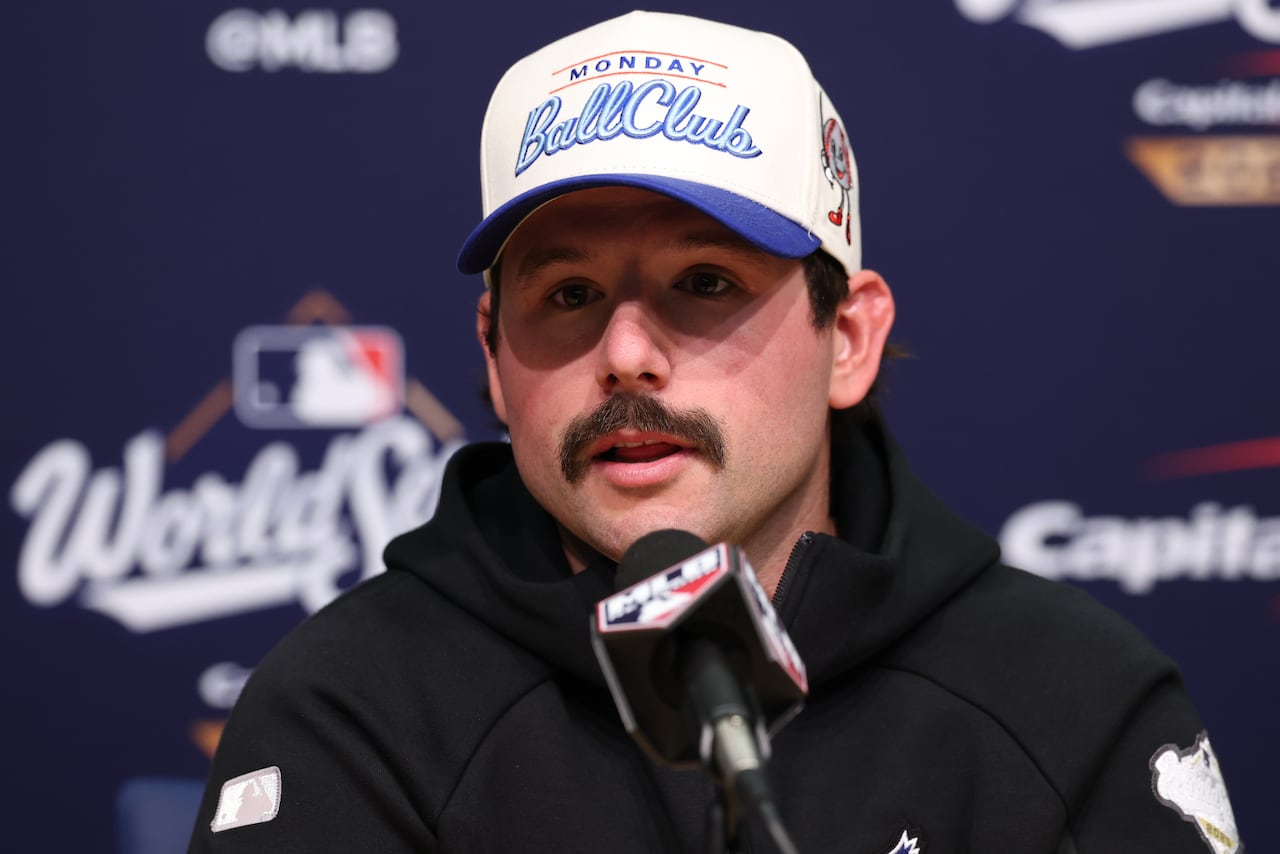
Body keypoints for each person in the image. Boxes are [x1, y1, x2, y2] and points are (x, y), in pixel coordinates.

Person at [188, 11, 1242, 853]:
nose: (626, 353)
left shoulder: (1067, 696)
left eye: (703, 282)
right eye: (566, 294)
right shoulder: (350, 710)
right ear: (494, 357)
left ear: (849, 338)